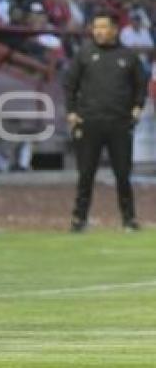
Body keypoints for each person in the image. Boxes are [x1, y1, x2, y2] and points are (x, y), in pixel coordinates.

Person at [65, 12, 147, 232]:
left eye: (103, 27)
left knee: (122, 174)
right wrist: (71, 112)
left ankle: (129, 219)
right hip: (89, 121)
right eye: (95, 27)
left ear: (114, 30)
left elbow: (141, 84)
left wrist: (138, 107)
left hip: (119, 123)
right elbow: (70, 85)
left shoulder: (128, 56)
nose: (98, 31)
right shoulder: (84, 54)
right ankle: (78, 219)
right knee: (86, 174)